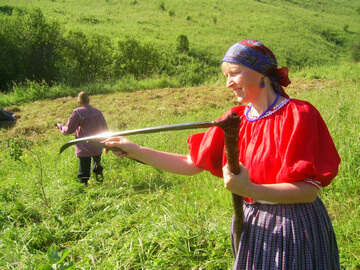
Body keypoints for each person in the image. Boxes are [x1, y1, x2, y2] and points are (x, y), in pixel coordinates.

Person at [102, 40, 341, 269]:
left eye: (234, 73)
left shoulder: (299, 115)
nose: (229, 83)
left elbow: (308, 191)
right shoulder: (234, 120)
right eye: (226, 76)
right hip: (252, 224)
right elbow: (191, 163)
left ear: (261, 73)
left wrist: (250, 190)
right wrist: (137, 151)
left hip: (295, 227)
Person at [57, 91, 109, 186]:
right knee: (96, 161)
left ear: (79, 102)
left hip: (85, 146)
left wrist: (61, 127)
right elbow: (105, 129)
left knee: (84, 170)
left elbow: (69, 130)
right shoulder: (98, 112)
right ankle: (98, 174)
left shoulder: (78, 112)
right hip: (97, 145)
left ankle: (84, 187)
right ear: (89, 100)